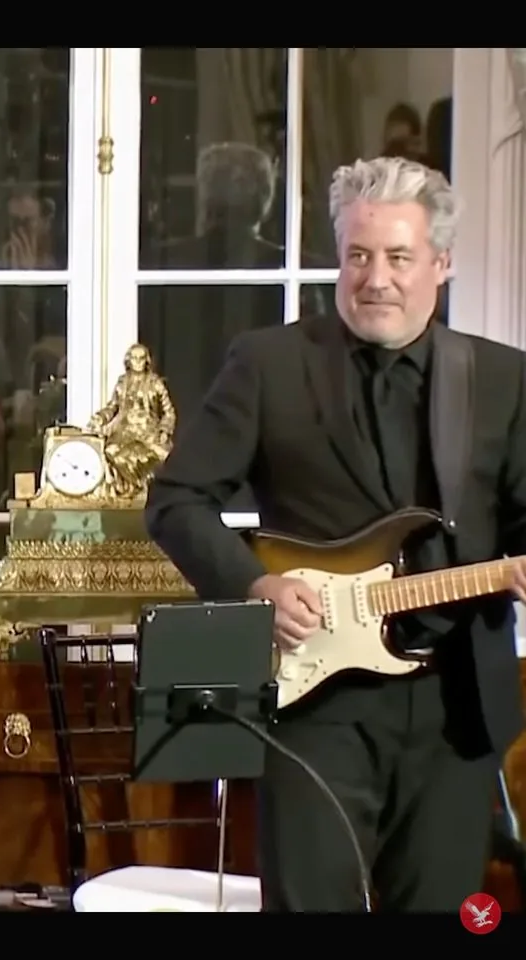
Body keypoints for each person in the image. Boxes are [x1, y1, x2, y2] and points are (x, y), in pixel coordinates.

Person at [145, 155, 526, 913]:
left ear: (442, 262)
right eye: (357, 256)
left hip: (456, 707)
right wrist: (254, 583)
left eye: (398, 258)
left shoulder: (501, 378)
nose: (375, 279)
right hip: (314, 704)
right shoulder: (268, 364)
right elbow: (176, 500)